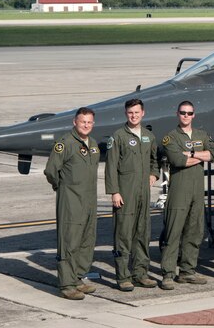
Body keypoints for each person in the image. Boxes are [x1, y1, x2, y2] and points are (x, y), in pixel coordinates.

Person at [158, 101, 214, 289]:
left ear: (194, 115)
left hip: (196, 192)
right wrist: (201, 155)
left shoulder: (201, 135)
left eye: (189, 113)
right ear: (177, 114)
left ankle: (187, 271)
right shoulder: (171, 137)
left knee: (194, 231)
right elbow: (177, 160)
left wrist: (191, 153)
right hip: (179, 191)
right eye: (183, 113)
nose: (186, 116)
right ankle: (168, 273)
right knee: (173, 232)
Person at [45, 107, 100, 300]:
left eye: (89, 122)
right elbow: (51, 170)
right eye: (82, 121)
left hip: (89, 200)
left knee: (86, 240)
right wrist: (63, 188)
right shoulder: (65, 143)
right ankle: (66, 284)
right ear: (74, 122)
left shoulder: (92, 144)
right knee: (69, 241)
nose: (86, 125)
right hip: (70, 201)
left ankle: (77, 278)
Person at [104, 99, 157, 291]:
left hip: (144, 193)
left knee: (142, 233)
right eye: (130, 113)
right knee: (123, 235)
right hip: (125, 193)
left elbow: (154, 160)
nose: (133, 116)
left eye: (136, 112)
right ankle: (123, 276)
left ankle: (141, 273)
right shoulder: (118, 136)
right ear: (126, 114)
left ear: (143, 113)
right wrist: (114, 192)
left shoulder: (149, 136)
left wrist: (154, 174)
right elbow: (110, 167)